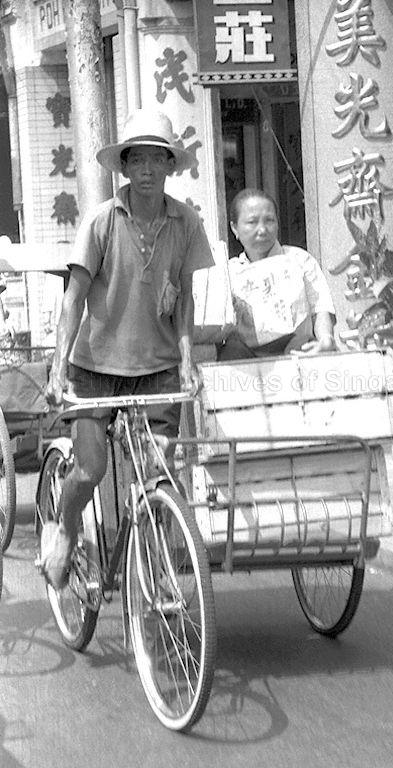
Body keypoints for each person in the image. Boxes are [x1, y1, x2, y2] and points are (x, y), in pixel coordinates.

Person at [40, 108, 213, 590]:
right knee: (92, 468)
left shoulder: (186, 223)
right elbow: (73, 299)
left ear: (168, 166)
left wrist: (186, 361)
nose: (146, 171)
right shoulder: (101, 221)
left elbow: (186, 297)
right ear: (124, 167)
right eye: (136, 160)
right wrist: (58, 370)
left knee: (159, 470)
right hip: (94, 367)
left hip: (156, 367)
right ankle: (64, 528)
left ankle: (155, 569)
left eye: (156, 160)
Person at [217, 188, 336, 361]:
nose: (262, 229)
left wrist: (326, 340)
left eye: (269, 220)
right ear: (234, 228)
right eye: (252, 222)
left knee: (304, 347)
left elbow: (320, 307)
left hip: (294, 346)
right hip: (245, 354)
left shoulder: (299, 260)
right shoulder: (228, 272)